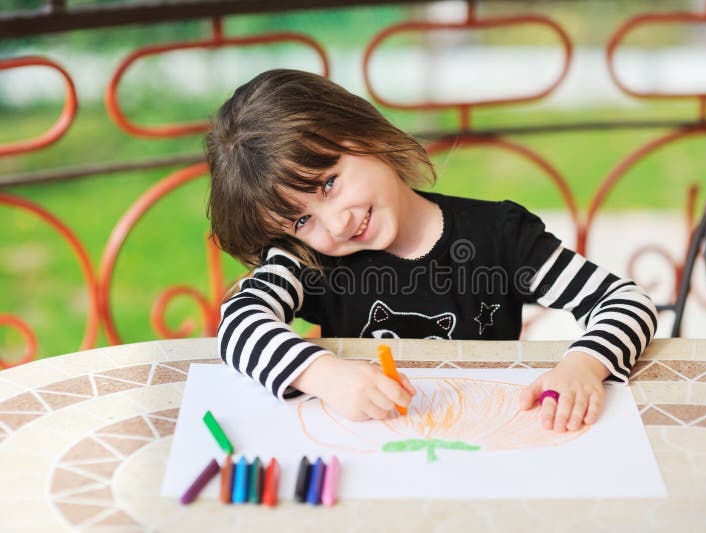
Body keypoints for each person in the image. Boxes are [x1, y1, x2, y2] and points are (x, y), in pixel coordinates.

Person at [206, 69, 658, 432]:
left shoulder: (499, 236)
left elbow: (625, 302)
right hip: (368, 458)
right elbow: (238, 323)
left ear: (362, 133)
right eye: (302, 220)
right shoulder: (307, 260)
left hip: (485, 442)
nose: (338, 223)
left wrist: (584, 366)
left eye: (329, 183)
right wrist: (324, 375)